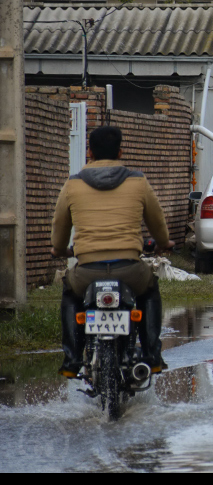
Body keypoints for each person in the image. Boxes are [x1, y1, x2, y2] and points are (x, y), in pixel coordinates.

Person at [51, 126, 175, 377]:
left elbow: (59, 229)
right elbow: (157, 223)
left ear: (89, 152)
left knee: (70, 293)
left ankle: (73, 359)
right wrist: (164, 242)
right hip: (130, 271)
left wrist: (60, 249)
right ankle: (152, 355)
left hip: (86, 273)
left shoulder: (72, 184)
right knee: (150, 290)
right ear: (120, 152)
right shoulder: (138, 181)